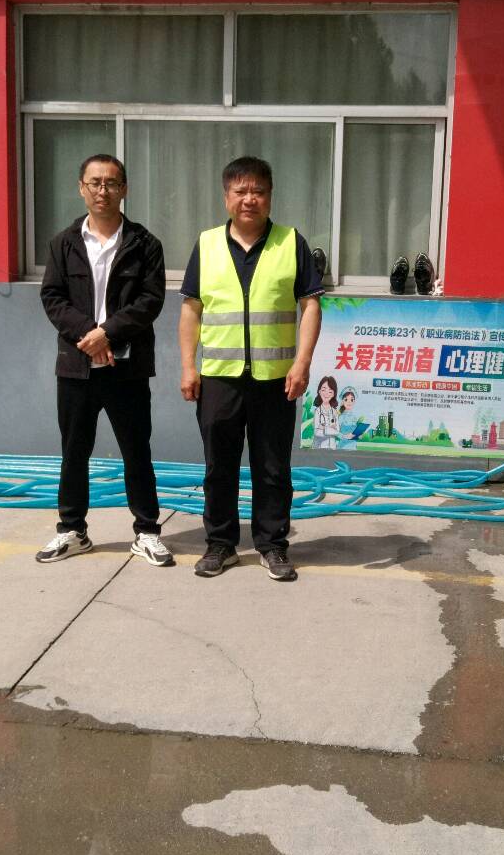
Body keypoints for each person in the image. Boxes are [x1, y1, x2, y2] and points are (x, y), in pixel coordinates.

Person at [178, 156, 323, 581]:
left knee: (273, 467)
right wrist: (188, 366)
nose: (249, 199)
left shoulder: (290, 242)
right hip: (219, 377)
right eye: (240, 191)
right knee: (218, 467)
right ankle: (220, 545)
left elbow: (311, 305)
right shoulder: (206, 244)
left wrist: (302, 362)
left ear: (270, 196)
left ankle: (272, 545)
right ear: (226, 197)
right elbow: (191, 310)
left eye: (258, 191)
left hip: (275, 380)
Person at [38, 154, 173, 567]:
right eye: (94, 183)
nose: (103, 190)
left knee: (136, 450)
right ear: (81, 188)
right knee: (73, 452)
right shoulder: (63, 243)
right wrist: (89, 335)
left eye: (111, 183)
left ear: (124, 189)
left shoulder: (145, 244)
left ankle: (147, 531)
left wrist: (107, 333)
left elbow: (150, 300)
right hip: (76, 368)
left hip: (126, 369)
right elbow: (52, 297)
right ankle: (72, 530)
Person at [312, 375, 341, 449]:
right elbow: (316, 432)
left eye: (330, 391)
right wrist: (331, 429)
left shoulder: (334, 412)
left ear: (333, 394)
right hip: (319, 447)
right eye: (323, 390)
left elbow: (337, 432)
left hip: (332, 447)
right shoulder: (317, 411)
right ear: (319, 392)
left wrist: (324, 428)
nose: (326, 394)